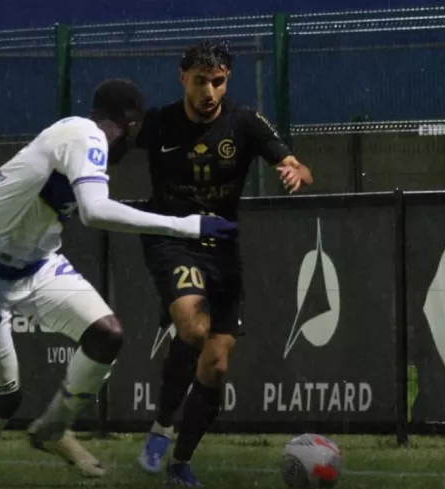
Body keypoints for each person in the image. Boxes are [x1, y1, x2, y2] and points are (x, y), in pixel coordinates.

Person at [0, 78, 239, 489]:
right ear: (131, 125)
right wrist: (185, 226)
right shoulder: (85, 135)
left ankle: (54, 428)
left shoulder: (77, 139)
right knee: (4, 398)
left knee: (106, 334)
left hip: (35, 266)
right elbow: (94, 212)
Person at [133, 40, 314, 486]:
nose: (209, 91)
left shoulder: (245, 123)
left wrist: (294, 170)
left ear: (226, 80)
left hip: (222, 248)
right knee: (194, 328)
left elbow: (297, 164)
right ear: (183, 79)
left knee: (215, 365)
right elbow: (108, 139)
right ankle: (162, 423)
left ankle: (180, 462)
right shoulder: (158, 124)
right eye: (200, 81)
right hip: (172, 240)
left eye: (217, 81)